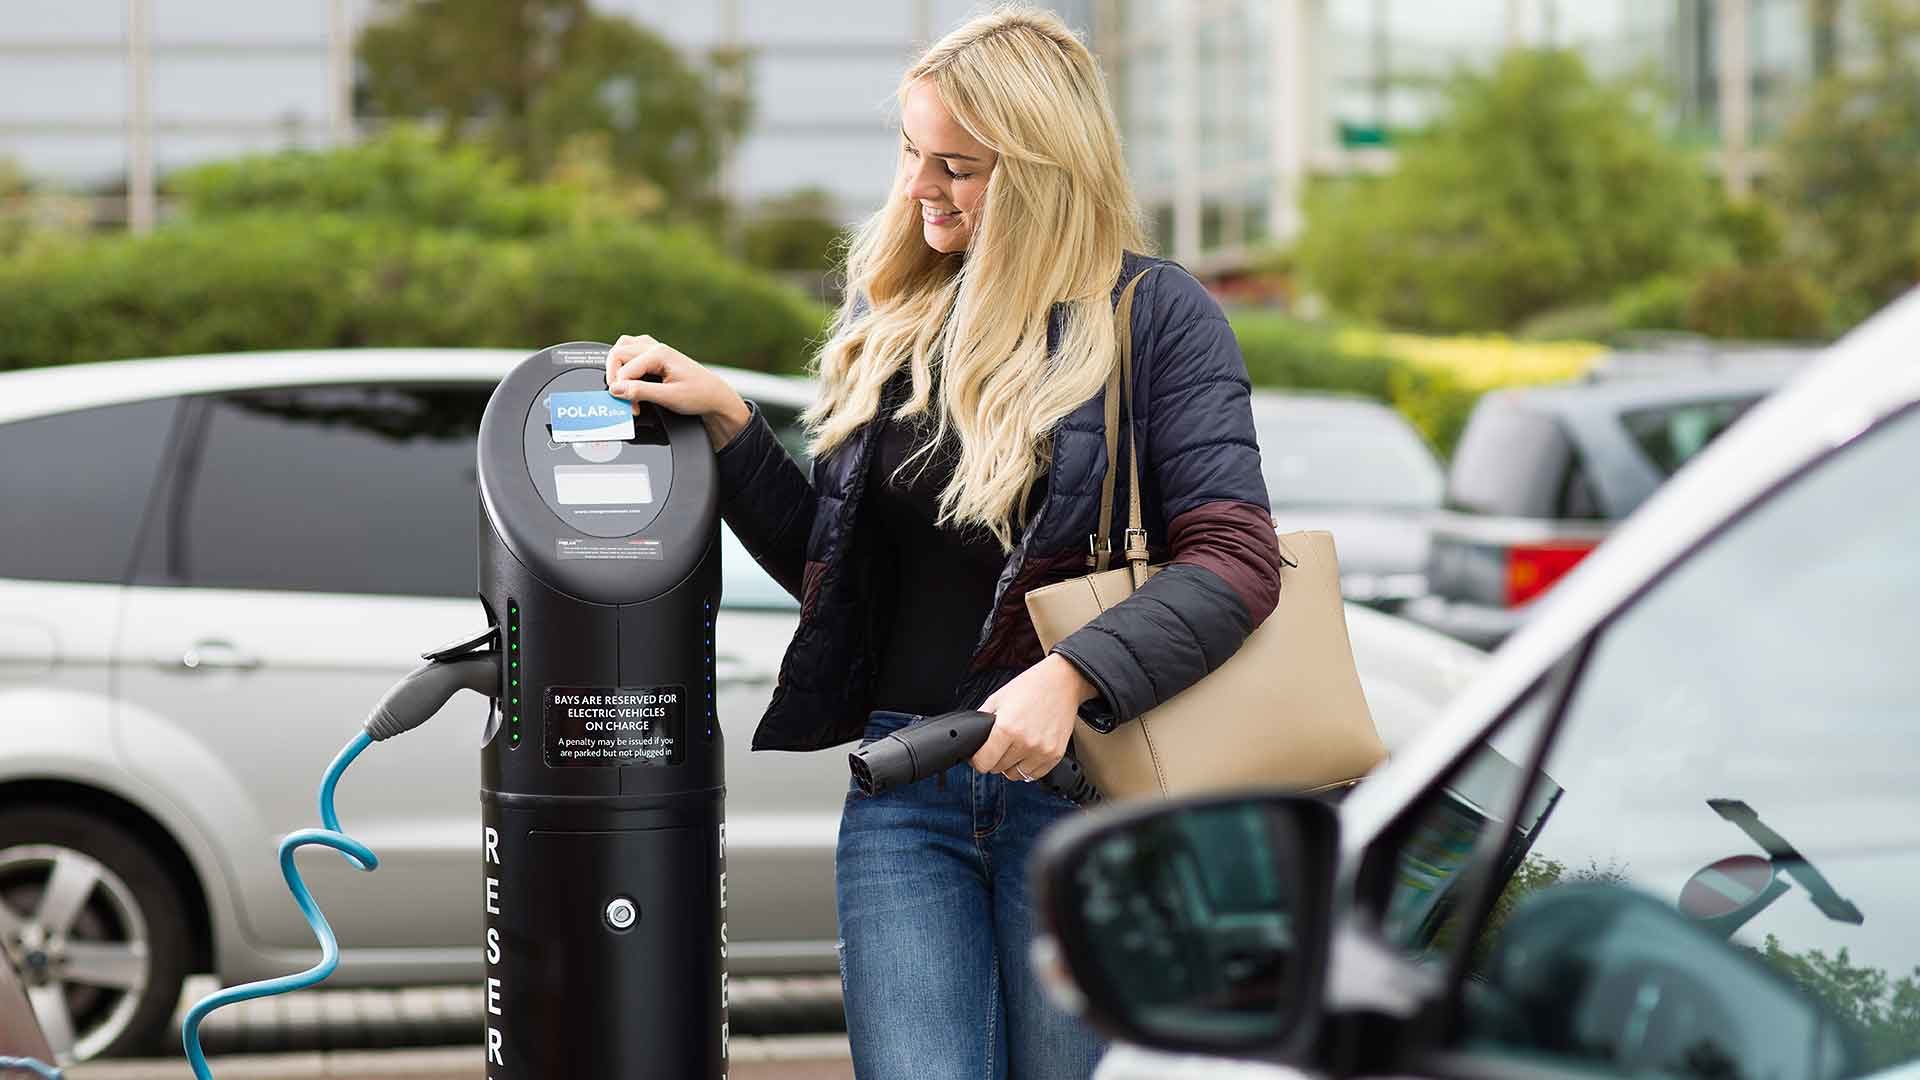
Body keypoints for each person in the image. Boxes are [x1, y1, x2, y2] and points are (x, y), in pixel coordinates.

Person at [603, 8, 1281, 1078]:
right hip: (904, 792)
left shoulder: (1157, 316)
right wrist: (730, 425)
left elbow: (1236, 559)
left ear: (1044, 171)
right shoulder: (904, 316)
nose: (922, 185)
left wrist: (1071, 676)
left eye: (958, 165)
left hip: (1086, 799)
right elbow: (842, 585)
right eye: (914, 152)